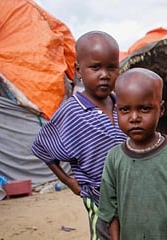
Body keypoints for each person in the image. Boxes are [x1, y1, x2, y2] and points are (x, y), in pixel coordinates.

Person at [31, 30, 127, 240]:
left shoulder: (123, 105)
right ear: (79, 70)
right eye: (95, 67)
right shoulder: (72, 111)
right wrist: (68, 180)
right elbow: (42, 147)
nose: (105, 74)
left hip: (130, 193)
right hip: (97, 197)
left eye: (111, 67)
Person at [98, 67, 167, 240]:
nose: (134, 117)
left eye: (144, 109)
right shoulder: (114, 158)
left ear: (160, 109)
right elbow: (111, 212)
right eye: (125, 110)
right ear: (117, 112)